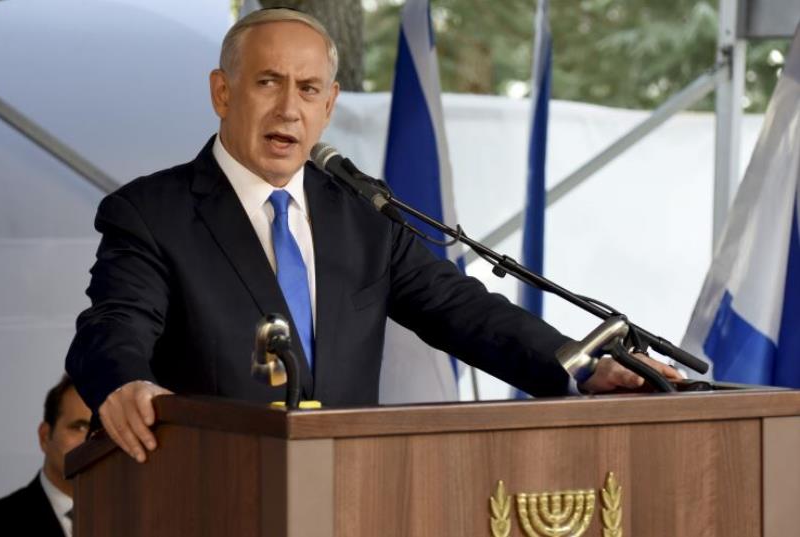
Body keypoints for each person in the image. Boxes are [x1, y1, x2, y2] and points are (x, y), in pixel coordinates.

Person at [65, 8, 680, 464]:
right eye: (267, 82)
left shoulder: (361, 214)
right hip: (209, 488)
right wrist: (122, 381)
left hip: (349, 487)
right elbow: (113, 324)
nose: (288, 110)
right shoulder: (150, 213)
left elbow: (463, 310)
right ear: (222, 92)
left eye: (308, 90)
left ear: (329, 106)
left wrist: (581, 366)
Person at [0, 375, 92, 537]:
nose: (91, 441)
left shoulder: (133, 520)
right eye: (79, 427)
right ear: (45, 436)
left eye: (101, 431)